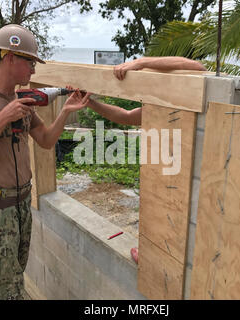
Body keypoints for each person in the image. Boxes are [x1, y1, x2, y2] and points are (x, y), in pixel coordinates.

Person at [0, 24, 90, 300]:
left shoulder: (21, 101)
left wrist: (65, 112)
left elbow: (46, 141)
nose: (34, 71)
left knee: (8, 280)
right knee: (3, 287)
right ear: (10, 57)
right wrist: (3, 116)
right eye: (30, 62)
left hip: (22, 204)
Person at [85, 56, 207, 264]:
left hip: (198, 170)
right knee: (160, 209)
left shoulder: (187, 95)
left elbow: (197, 67)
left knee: (190, 220)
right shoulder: (160, 105)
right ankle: (153, 257)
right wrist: (89, 103)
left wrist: (140, 62)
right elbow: (126, 116)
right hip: (167, 170)